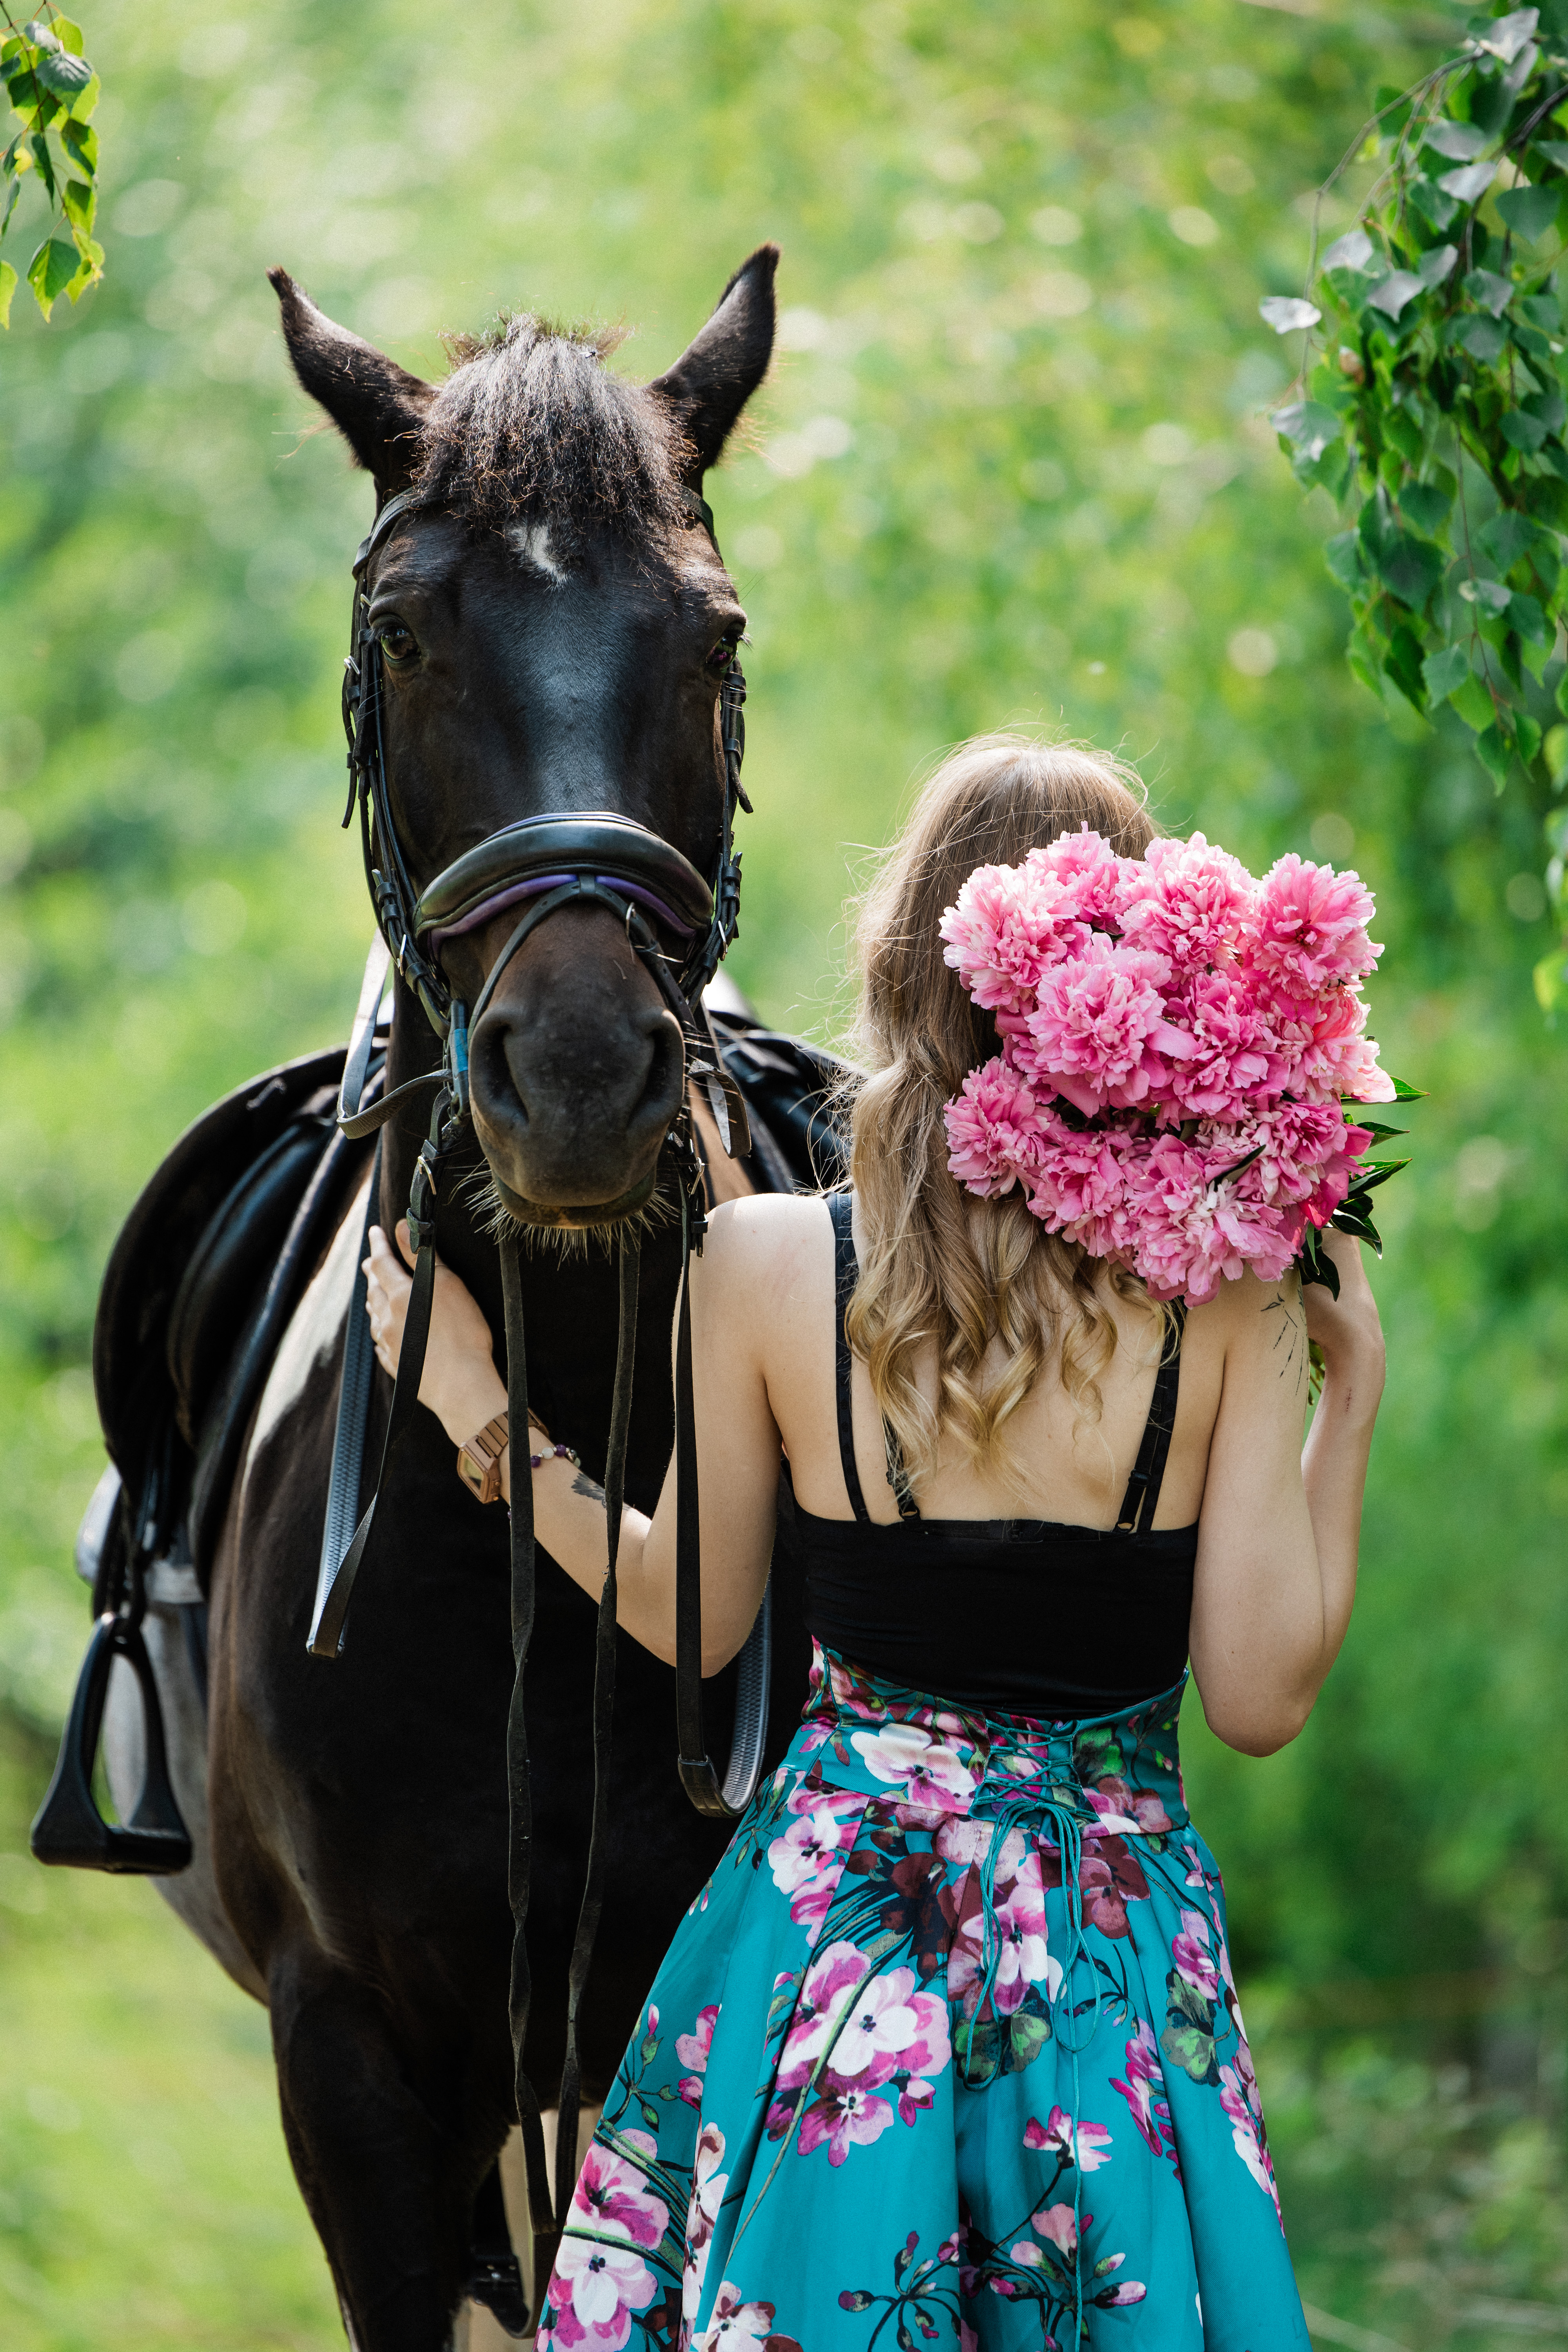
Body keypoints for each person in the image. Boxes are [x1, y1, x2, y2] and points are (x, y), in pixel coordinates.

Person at [364, 735, 1386, 2350]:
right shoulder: (1233, 1296)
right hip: (1108, 1970)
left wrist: (487, 1425)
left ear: (907, 961)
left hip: (841, 1951)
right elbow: (1258, 1700)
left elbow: (688, 1616)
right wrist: (1354, 1393)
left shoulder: (764, 1262)